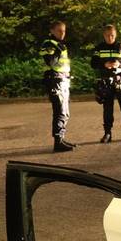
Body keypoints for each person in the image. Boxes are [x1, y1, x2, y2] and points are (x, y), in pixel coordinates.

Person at [91, 24, 121, 142]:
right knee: (107, 108)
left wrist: (119, 65)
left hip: (120, 80)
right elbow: (93, 63)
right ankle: (107, 133)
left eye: (112, 35)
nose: (110, 38)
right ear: (104, 35)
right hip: (106, 81)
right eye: (107, 35)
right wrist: (104, 65)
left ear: (115, 35)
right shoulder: (99, 48)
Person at [39, 20, 75, 152]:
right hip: (55, 80)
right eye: (59, 30)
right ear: (52, 31)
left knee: (65, 112)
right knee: (60, 111)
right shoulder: (48, 44)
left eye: (64, 31)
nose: (62, 33)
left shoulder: (60, 44)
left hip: (63, 80)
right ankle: (58, 142)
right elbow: (50, 62)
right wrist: (58, 51)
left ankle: (61, 138)